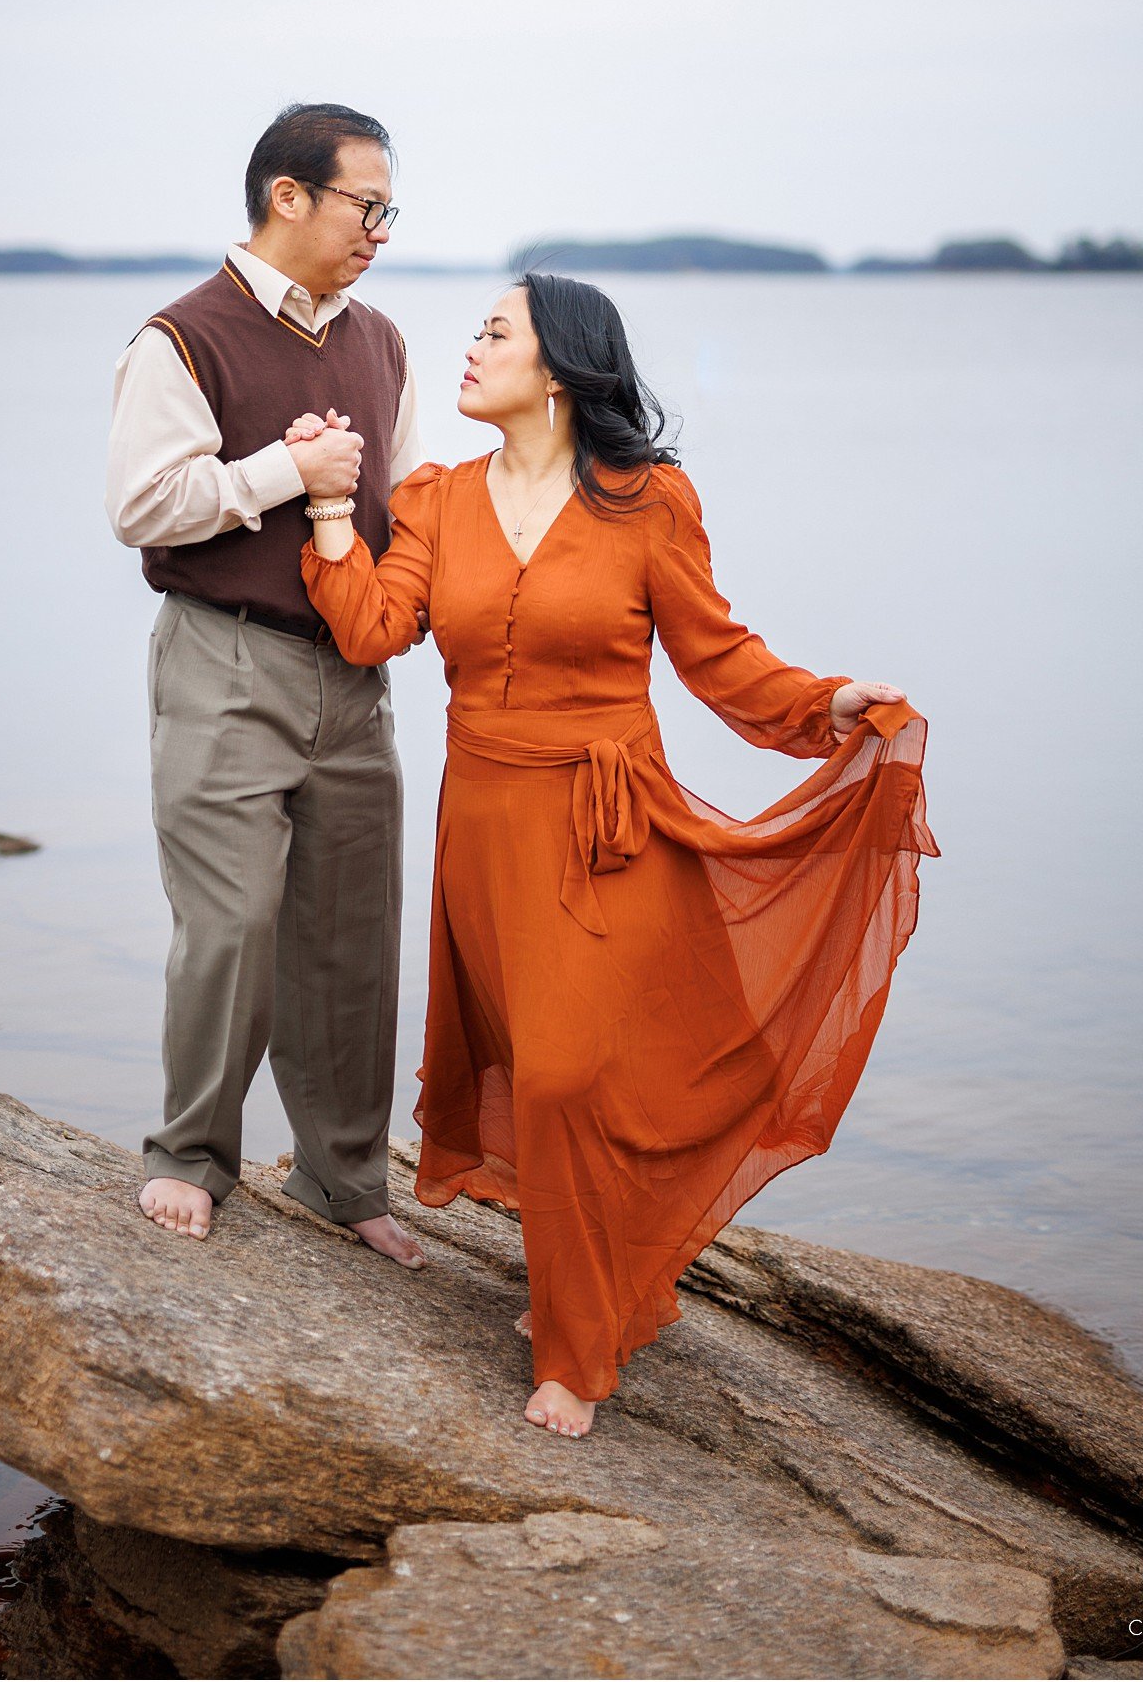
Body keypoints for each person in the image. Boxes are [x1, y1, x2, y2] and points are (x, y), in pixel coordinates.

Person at [288, 272, 938, 1436]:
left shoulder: (649, 501)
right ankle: (576, 1293)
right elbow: (374, 629)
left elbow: (718, 656)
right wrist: (333, 516)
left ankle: (575, 1354)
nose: (471, 348)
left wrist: (828, 703)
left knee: (566, 1076)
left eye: (496, 333)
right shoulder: (436, 499)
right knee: (539, 1074)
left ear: (562, 367)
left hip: (610, 822)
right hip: (483, 828)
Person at [106, 102, 427, 1270]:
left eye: (391, 209)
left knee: (351, 936)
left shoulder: (383, 343)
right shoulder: (180, 337)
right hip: (223, 652)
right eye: (366, 204)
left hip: (353, 677)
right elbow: (142, 506)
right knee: (232, 921)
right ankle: (190, 1155)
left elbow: (384, 512)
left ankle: (347, 1178)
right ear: (287, 197)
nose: (381, 228)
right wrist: (283, 470)